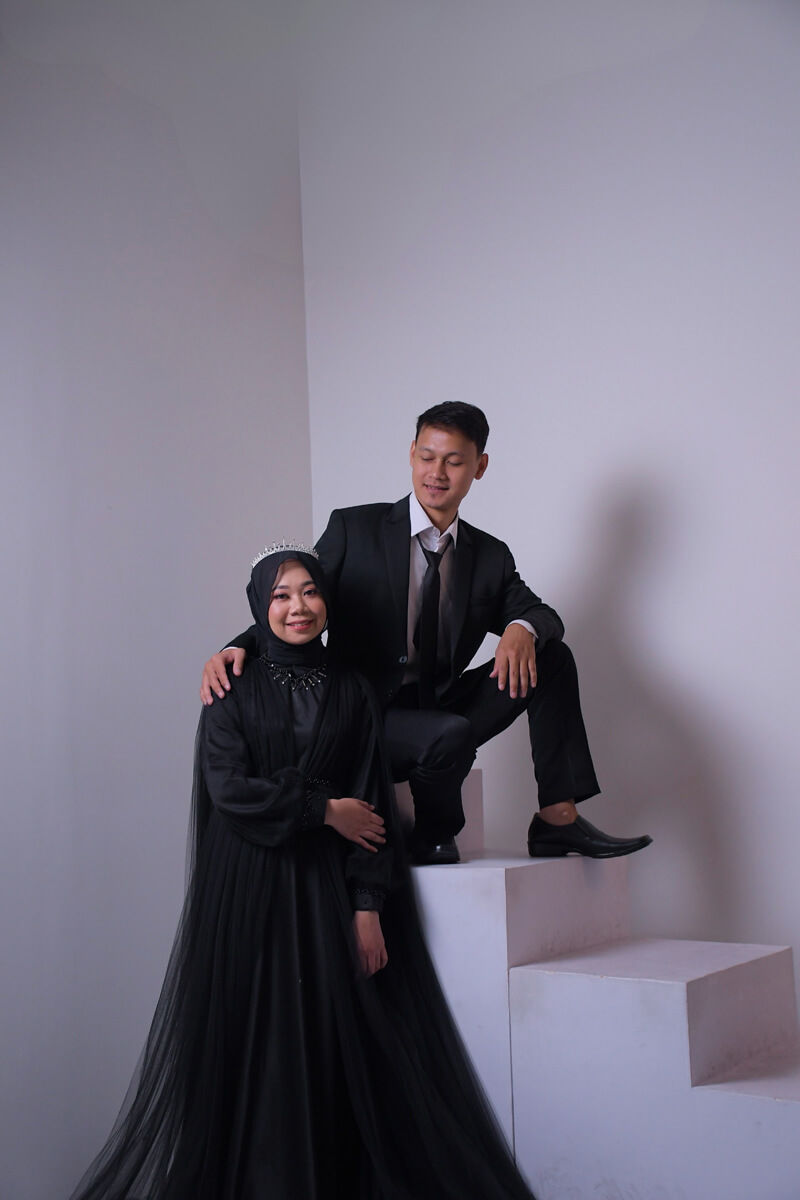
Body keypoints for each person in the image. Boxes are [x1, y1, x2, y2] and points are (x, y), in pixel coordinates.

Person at [68, 545, 537, 1200]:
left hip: (323, 891)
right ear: (259, 605)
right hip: (248, 888)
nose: (298, 607)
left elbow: (370, 804)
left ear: (327, 601)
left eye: (310, 591)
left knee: (325, 1044)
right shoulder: (231, 686)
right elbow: (229, 789)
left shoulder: (352, 690)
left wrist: (368, 905)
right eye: (281, 595)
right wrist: (323, 809)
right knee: (258, 1044)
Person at [202, 403, 652, 866]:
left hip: (444, 705)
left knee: (552, 656)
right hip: (365, 714)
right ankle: (434, 833)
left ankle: (557, 819)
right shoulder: (355, 529)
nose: (436, 473)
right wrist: (238, 646)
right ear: (411, 453)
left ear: (479, 466)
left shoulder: (490, 555)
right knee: (447, 734)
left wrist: (522, 627)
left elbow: (541, 613)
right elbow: (303, 602)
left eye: (453, 461)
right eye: (427, 457)